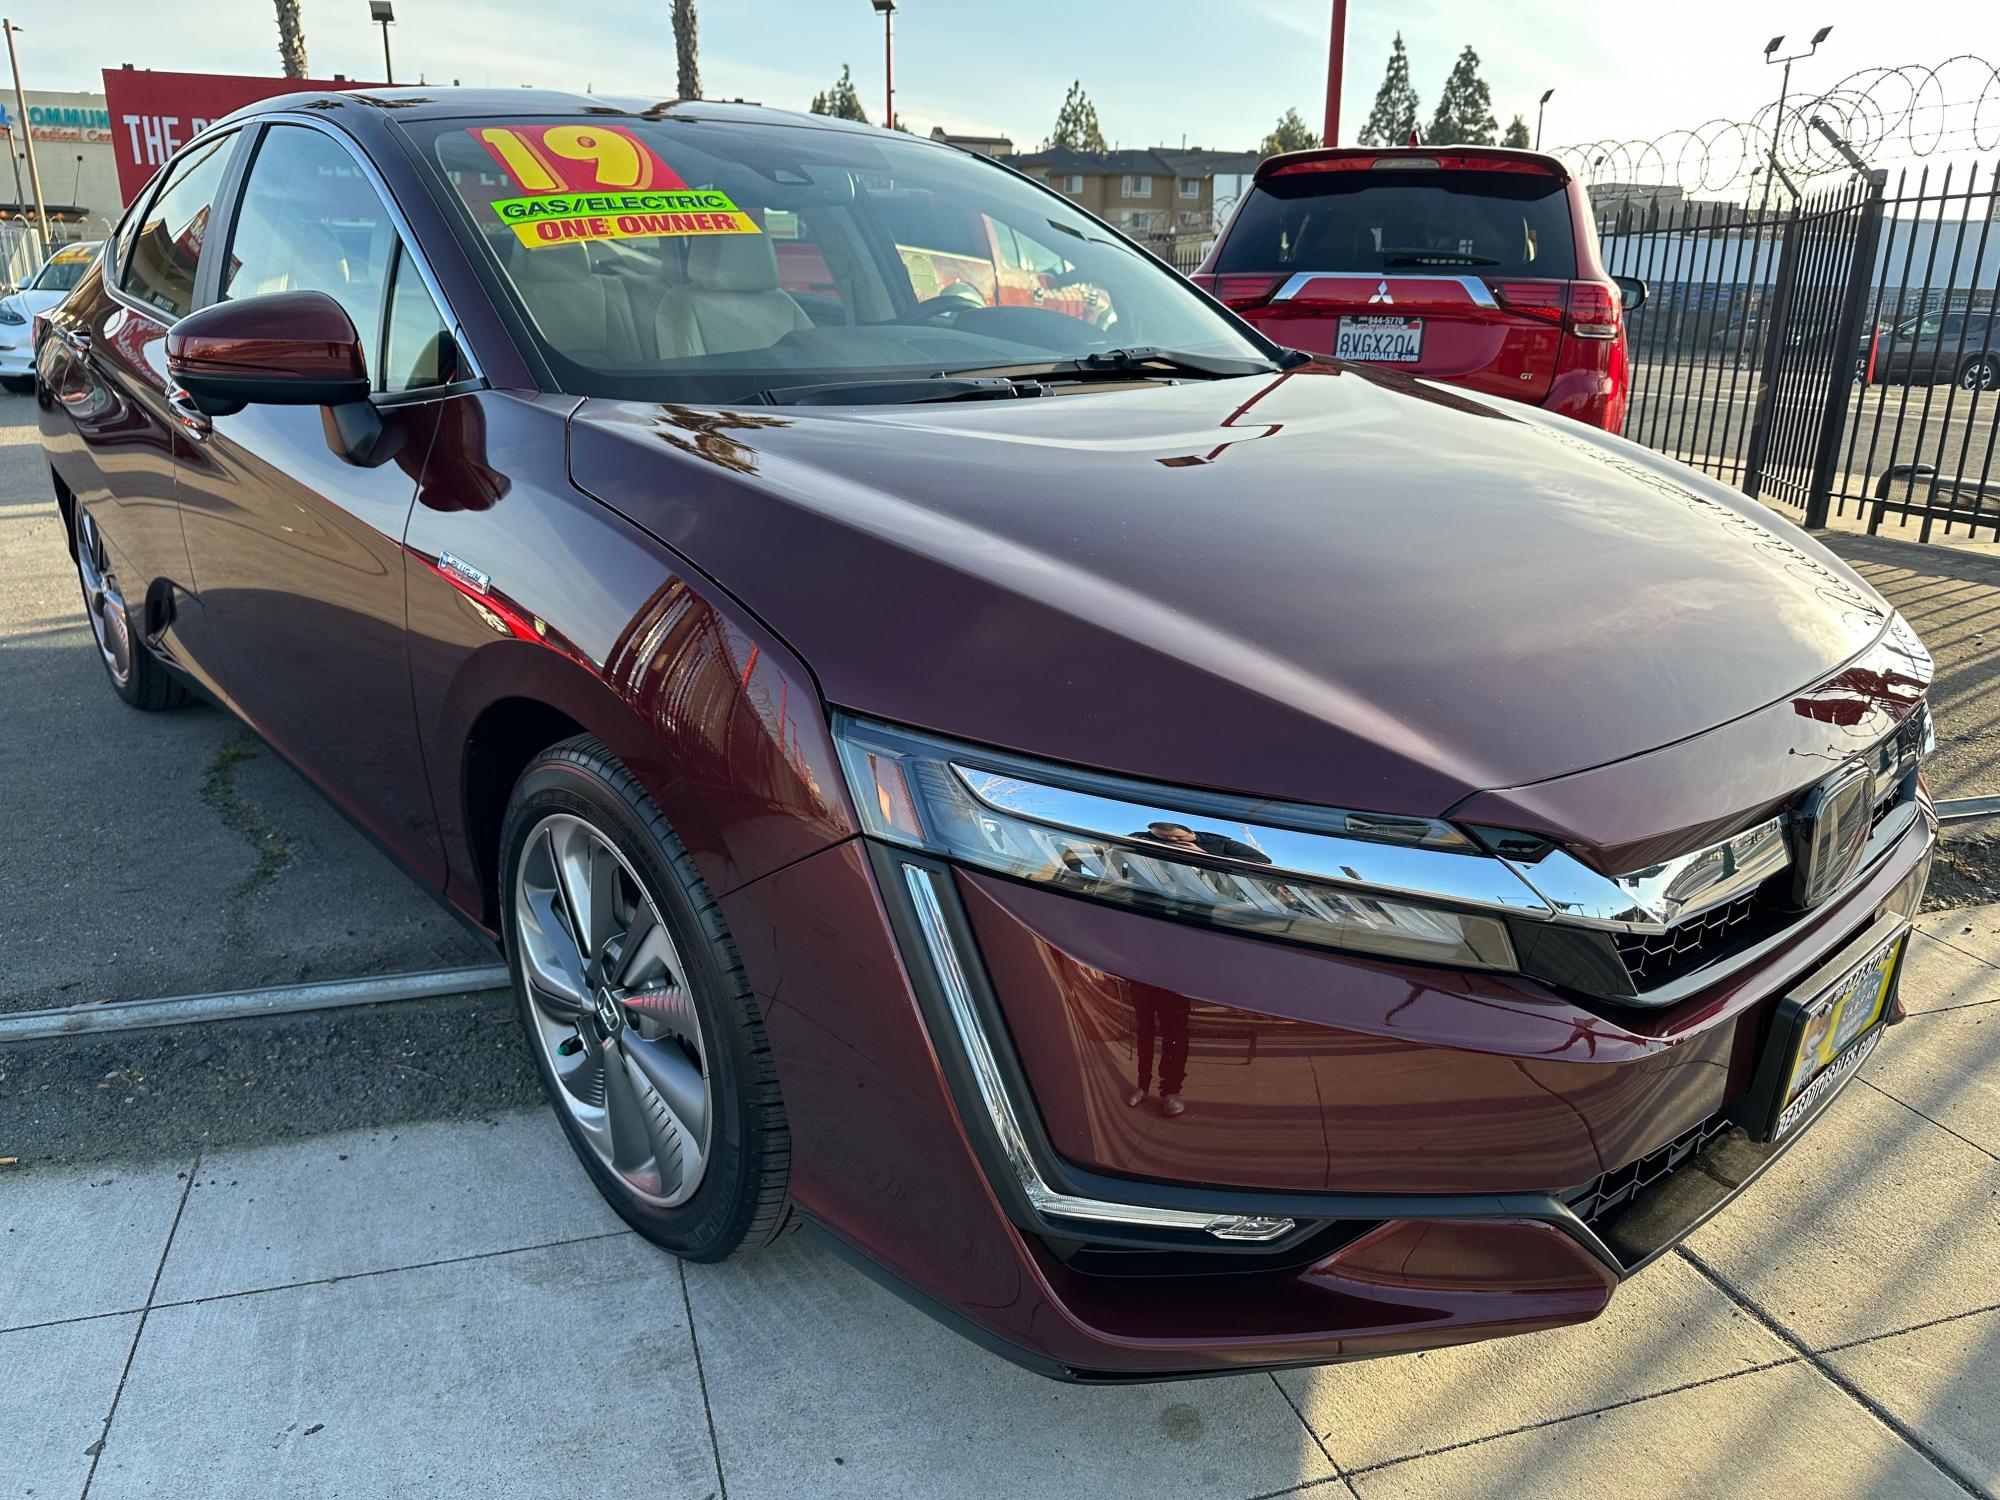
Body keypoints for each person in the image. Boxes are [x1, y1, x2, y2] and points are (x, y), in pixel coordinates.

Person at [1127, 820, 1272, 865]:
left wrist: (1204, 854)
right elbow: (1128, 839)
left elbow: (1263, 860)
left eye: (1178, 837)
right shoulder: (1148, 837)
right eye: (1163, 837)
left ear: (1191, 833)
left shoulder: (1222, 843)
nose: (1171, 840)